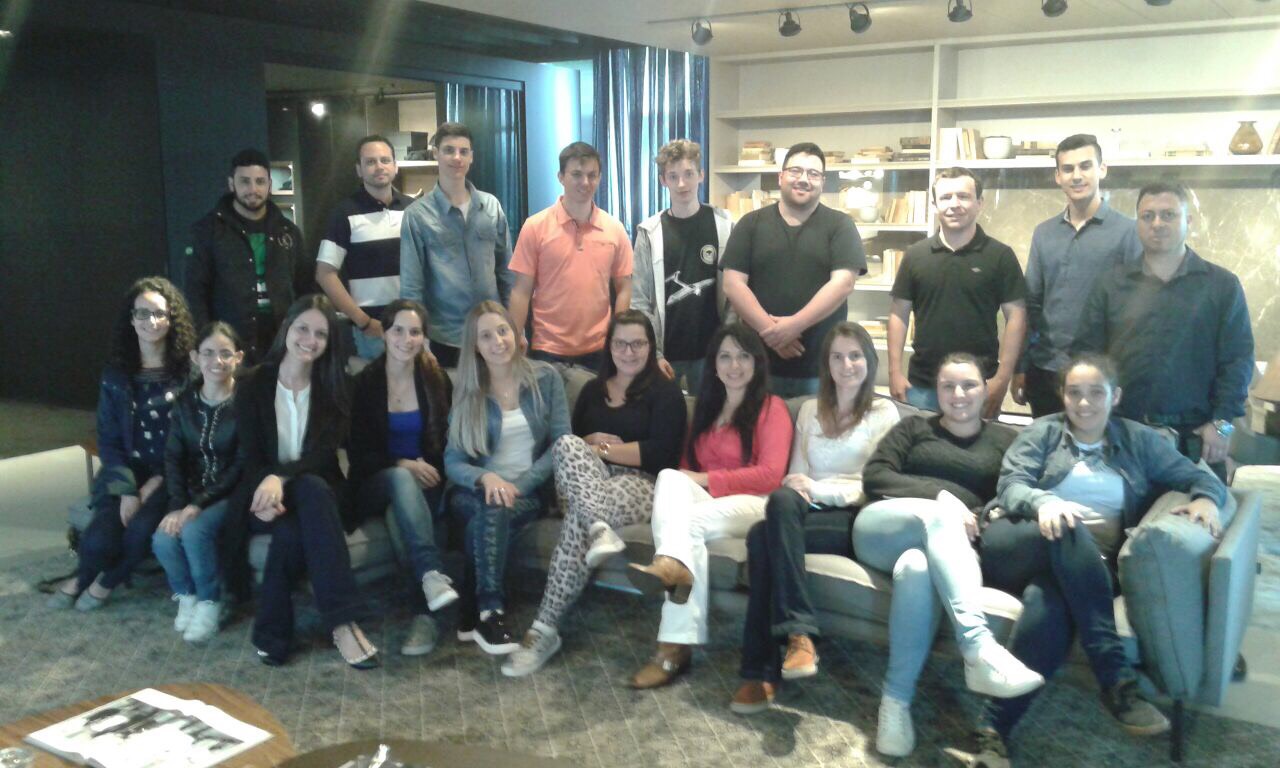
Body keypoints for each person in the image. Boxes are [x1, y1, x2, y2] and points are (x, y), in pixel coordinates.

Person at [958, 353, 1230, 766]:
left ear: (1115, 395)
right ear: (1063, 396)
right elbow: (1011, 485)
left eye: (1095, 393)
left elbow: (1199, 476)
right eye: (1074, 393)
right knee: (1069, 527)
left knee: (1047, 603)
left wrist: (1207, 499)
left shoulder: (1138, 440)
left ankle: (993, 730)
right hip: (1016, 542)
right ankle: (1114, 676)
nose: (1084, 403)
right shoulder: (1043, 432)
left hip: (1086, 566)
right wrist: (1045, 502)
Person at [852, 352, 1044, 758]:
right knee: (939, 516)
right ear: (936, 391)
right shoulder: (913, 427)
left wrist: (983, 513)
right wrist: (941, 497)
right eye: (948, 386)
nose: (958, 394)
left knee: (916, 569)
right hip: (883, 529)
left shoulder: (1005, 440)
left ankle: (894, 703)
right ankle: (977, 647)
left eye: (969, 385)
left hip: (946, 547)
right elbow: (876, 475)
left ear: (985, 389)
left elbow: (1011, 494)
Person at [502, 310, 688, 677]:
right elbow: (571, 449)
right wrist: (588, 443)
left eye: (638, 344)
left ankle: (543, 629)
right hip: (584, 481)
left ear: (650, 347)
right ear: (609, 347)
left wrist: (603, 450)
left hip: (640, 484)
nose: (629, 352)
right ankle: (599, 526)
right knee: (565, 444)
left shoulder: (665, 393)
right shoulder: (591, 391)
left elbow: (660, 454)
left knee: (579, 518)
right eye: (621, 343)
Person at [730, 322, 900, 714]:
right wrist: (805, 490)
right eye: (837, 356)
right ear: (826, 364)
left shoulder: (883, 412)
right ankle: (798, 637)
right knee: (779, 506)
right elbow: (796, 474)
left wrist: (820, 490)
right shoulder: (809, 409)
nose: (846, 365)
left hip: (852, 517)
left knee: (761, 538)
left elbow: (873, 483)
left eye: (855, 356)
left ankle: (762, 669)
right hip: (803, 510)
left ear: (869, 361)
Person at [627, 323, 792, 688]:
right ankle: (673, 568)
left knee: (686, 524)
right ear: (714, 365)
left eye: (743, 356)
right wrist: (696, 479)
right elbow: (686, 469)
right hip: (711, 503)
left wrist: (707, 479)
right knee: (670, 477)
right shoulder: (707, 408)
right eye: (725, 357)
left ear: (757, 362)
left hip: (755, 505)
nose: (734, 365)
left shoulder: (772, 408)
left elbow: (771, 475)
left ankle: (672, 647)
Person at [223, 295, 379, 669]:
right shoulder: (252, 384)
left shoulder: (336, 386)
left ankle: (284, 632)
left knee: (308, 496)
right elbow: (252, 456)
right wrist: (268, 484)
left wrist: (281, 477)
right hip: (263, 493)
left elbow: (322, 456)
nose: (310, 340)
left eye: (320, 334)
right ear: (286, 329)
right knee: (295, 516)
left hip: (318, 491)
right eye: (303, 329)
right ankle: (342, 622)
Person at [1074, 181, 1253, 481]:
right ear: (1137, 223)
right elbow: (1086, 356)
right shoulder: (1110, 285)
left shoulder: (1222, 286)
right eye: (1148, 216)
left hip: (1197, 441)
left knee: (1201, 509)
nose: (1157, 223)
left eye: (1168, 214)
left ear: (1188, 221)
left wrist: (1222, 427)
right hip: (1123, 435)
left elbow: (1238, 361)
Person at [50, 277, 196, 610]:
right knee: (98, 540)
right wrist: (129, 491)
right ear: (131, 319)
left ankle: (102, 582)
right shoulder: (116, 375)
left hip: (173, 474)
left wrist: (153, 485)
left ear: (172, 319)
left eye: (159, 313)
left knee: (139, 531)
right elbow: (109, 439)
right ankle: (84, 576)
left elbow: (192, 441)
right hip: (125, 472)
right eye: (142, 313)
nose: (151, 321)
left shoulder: (189, 373)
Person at [444, 300, 570, 655]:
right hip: (473, 493)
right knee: (492, 504)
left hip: (528, 493)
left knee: (487, 517)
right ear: (475, 346)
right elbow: (453, 461)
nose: (497, 341)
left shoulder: (546, 378)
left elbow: (562, 443)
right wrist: (486, 478)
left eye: (502, 331)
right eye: (486, 336)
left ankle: (474, 609)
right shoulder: (468, 392)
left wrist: (521, 485)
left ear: (515, 333)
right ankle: (491, 611)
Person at [346, 299, 457, 657]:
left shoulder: (436, 380)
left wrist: (426, 469)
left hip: (425, 480)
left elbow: (447, 443)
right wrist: (404, 464)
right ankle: (431, 573)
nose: (406, 340)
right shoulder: (364, 384)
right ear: (384, 333)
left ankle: (424, 614)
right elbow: (358, 454)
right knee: (399, 479)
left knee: (400, 519)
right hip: (374, 481)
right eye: (398, 330)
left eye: (414, 332)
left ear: (424, 337)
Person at [722, 142, 863, 397]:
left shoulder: (841, 225)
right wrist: (773, 333)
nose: (804, 179)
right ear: (781, 176)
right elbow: (732, 284)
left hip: (823, 369)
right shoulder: (750, 224)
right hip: (757, 366)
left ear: (822, 182)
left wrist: (793, 326)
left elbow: (843, 284)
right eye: (796, 171)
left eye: (813, 174)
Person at [1014, 134, 1141, 417]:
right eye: (1068, 169)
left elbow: (1135, 312)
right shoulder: (1044, 233)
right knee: (1047, 444)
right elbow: (1031, 304)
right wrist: (1021, 367)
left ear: (1102, 169)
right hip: (1046, 371)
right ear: (1057, 176)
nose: (1077, 176)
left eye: (1085, 166)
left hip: (1100, 377)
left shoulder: (1128, 232)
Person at [887, 168, 1027, 416]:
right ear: (934, 205)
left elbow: (1017, 317)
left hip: (979, 386)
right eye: (945, 197)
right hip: (923, 386)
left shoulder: (1000, 256)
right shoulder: (915, 256)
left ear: (979, 203)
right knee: (921, 442)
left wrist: (1002, 379)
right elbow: (898, 315)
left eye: (963, 196)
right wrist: (894, 372)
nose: (954, 204)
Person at [151, 321, 245, 644]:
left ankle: (210, 600)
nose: (217, 361)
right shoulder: (185, 403)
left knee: (194, 530)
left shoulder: (246, 403)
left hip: (232, 492)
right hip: (192, 491)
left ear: (238, 358)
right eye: (208, 353)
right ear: (195, 357)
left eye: (225, 353)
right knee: (163, 538)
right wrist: (178, 504)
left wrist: (198, 504)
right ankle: (187, 595)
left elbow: (241, 464)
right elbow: (173, 457)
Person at [508, 142, 633, 370]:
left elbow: (624, 287)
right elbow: (521, 290)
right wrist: (515, 336)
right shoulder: (535, 227)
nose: (585, 182)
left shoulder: (614, 229)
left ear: (600, 178)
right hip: (547, 350)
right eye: (576, 174)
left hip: (600, 350)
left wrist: (620, 336)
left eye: (592, 175)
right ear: (561, 177)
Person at [400, 122, 514, 367]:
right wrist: (419, 339)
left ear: (472, 156)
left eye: (463, 151)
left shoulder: (491, 206)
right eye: (449, 150)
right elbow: (412, 286)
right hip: (446, 337)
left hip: (494, 332)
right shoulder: (417, 215)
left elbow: (507, 272)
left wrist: (516, 328)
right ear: (435, 154)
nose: (457, 158)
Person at [186, 148, 309, 361]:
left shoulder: (288, 231)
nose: (253, 189)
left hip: (283, 342)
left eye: (260, 182)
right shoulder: (207, 231)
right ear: (231, 184)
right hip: (228, 344)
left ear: (270, 184)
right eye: (245, 182)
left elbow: (304, 288)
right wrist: (205, 342)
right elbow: (195, 292)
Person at [632, 139, 735, 391]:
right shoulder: (649, 233)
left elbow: (735, 297)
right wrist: (654, 354)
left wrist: (728, 348)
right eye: (673, 176)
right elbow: (640, 300)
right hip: (665, 355)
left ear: (701, 175)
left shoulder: (725, 225)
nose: (681, 184)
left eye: (688, 174)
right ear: (662, 180)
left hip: (712, 355)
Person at [317, 135, 415, 360]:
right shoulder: (343, 213)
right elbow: (324, 274)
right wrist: (363, 321)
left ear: (395, 166)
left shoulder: (414, 210)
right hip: (372, 331)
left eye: (385, 160)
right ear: (359, 170)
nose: (379, 166)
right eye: (370, 162)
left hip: (412, 326)